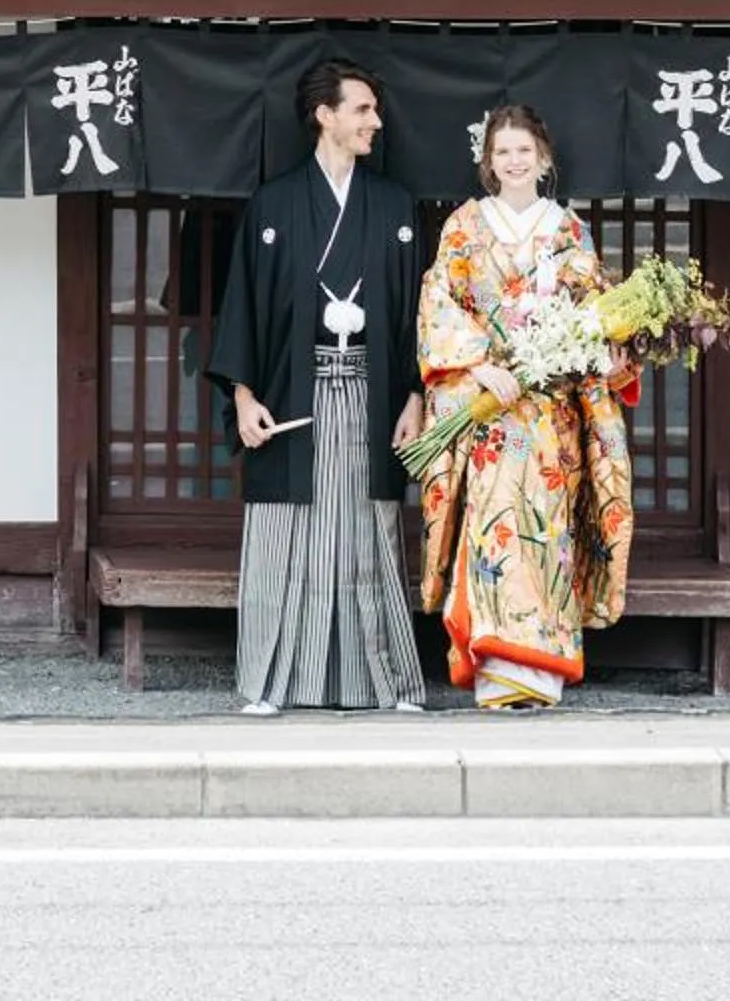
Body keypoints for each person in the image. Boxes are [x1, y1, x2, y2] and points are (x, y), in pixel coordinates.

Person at [204, 57, 429, 715]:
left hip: (371, 390)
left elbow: (417, 310)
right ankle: (269, 683)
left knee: (370, 531)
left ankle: (386, 684)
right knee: (286, 531)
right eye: (361, 110)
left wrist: (414, 395)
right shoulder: (274, 204)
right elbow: (242, 305)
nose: (374, 123)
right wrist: (244, 397)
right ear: (324, 115)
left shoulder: (393, 206)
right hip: (292, 393)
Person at [412, 104, 637, 709]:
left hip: (550, 413)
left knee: (549, 533)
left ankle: (544, 668)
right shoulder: (465, 225)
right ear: (487, 163)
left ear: (544, 158)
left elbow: (594, 312)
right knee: (495, 531)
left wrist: (600, 351)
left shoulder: (568, 230)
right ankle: (494, 666)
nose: (514, 162)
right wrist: (477, 364)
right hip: (491, 409)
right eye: (502, 152)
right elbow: (441, 301)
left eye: (524, 151)